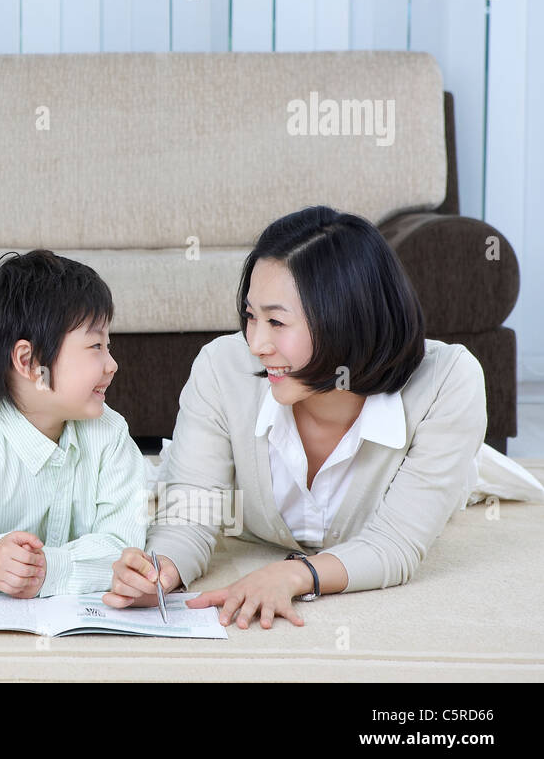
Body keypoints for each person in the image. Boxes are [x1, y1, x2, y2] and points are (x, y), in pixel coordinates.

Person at [105, 206, 496, 629]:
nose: (256, 343)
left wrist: (293, 574)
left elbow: (395, 544)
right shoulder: (221, 366)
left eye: (276, 321)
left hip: (452, 469)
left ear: (347, 319)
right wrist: (161, 571)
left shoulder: (449, 381)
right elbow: (192, 515)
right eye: (251, 317)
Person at [0, 250, 146, 598]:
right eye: (96, 345)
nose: (112, 365)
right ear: (29, 361)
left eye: (108, 345)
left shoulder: (111, 435)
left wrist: (48, 569)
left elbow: (123, 546)